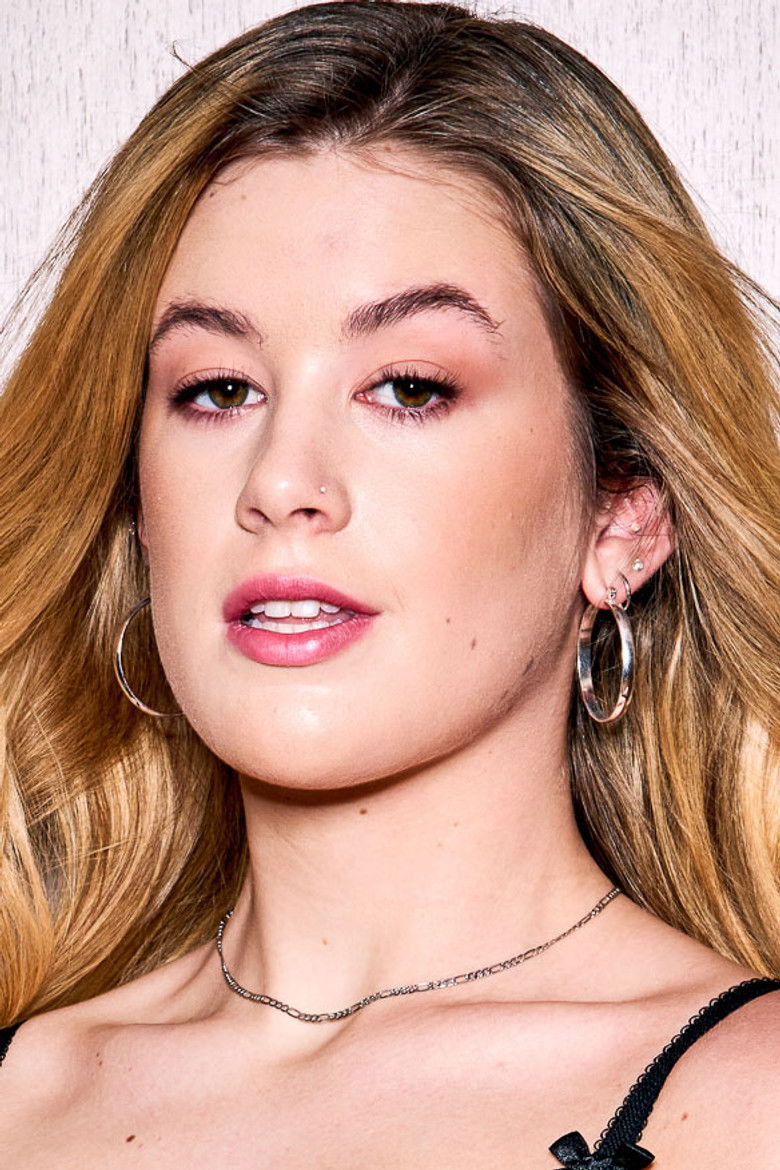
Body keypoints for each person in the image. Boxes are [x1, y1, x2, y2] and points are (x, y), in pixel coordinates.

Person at [0, 1, 778, 1165]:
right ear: (138, 514)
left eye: (410, 386)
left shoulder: (751, 1104)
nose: (282, 483)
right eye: (218, 389)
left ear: (624, 511)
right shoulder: (24, 1093)